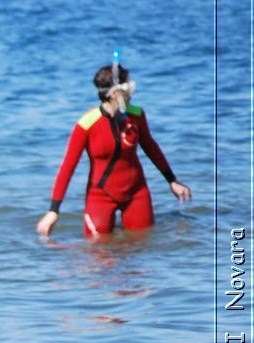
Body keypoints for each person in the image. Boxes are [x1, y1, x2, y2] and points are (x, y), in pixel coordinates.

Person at [37, 58, 191, 237]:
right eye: (128, 89)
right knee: (100, 253)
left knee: (141, 247)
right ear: (114, 93)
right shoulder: (86, 124)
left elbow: (151, 148)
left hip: (136, 193)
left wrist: (172, 180)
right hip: (100, 196)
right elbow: (67, 167)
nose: (132, 94)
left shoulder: (137, 115)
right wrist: (53, 210)